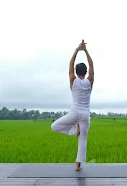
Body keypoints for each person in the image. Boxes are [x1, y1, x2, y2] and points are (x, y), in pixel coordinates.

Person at [51, 39, 94, 171]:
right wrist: (85, 50)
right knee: (83, 141)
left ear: (76, 72)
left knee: (54, 126)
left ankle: (76, 129)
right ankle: (78, 165)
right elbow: (92, 65)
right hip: (85, 115)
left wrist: (77, 49)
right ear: (86, 72)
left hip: (74, 113)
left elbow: (71, 63)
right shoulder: (89, 82)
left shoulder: (73, 80)